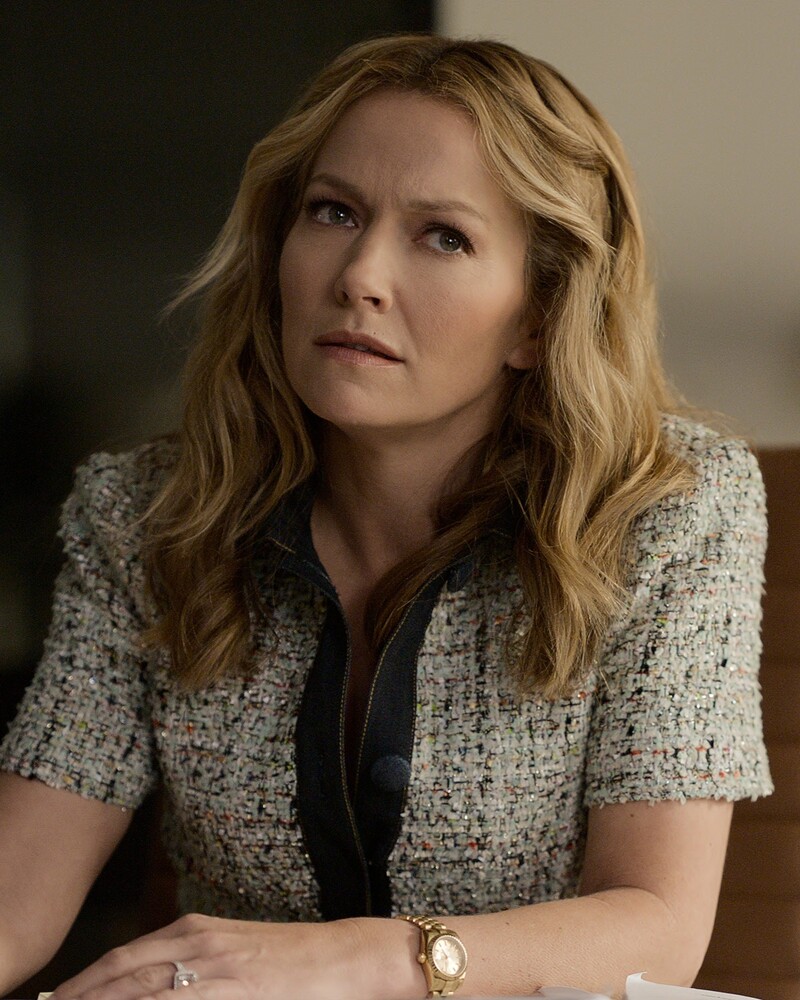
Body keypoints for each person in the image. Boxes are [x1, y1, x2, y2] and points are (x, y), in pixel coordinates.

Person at [0, 33, 771, 1000]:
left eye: (443, 236)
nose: (358, 274)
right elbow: (14, 900)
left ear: (538, 316)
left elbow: (656, 926)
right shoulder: (146, 516)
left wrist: (353, 959)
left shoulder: (671, 510)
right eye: (334, 212)